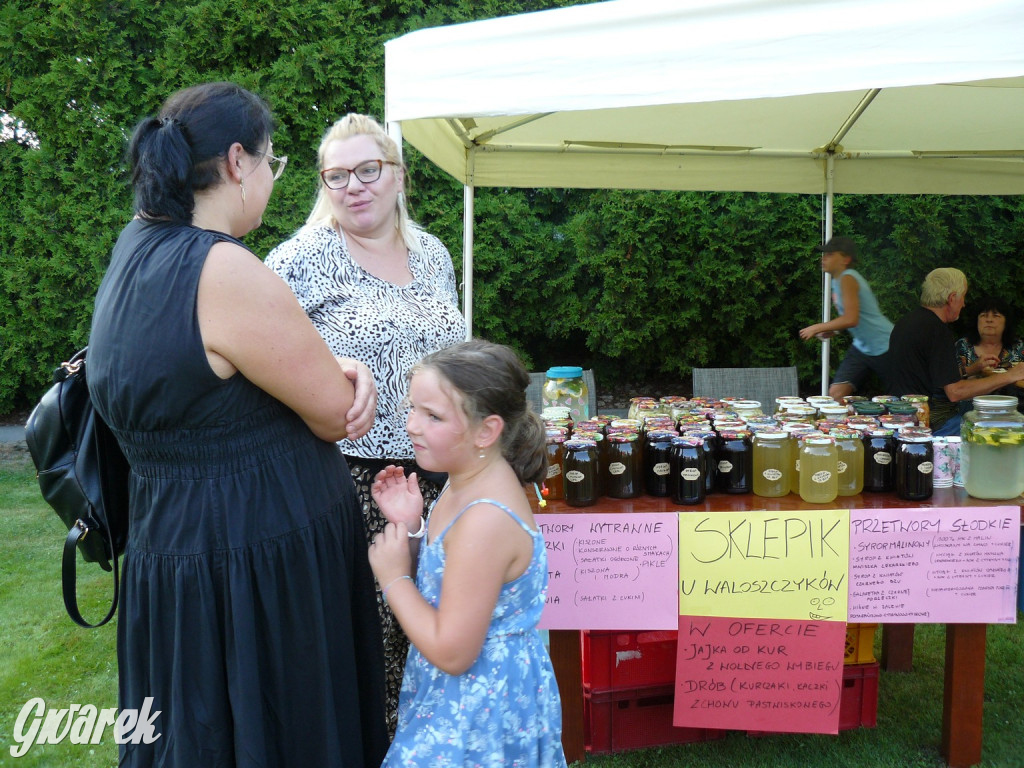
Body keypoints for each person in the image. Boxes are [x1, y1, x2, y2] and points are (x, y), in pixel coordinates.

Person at [86, 83, 388, 766]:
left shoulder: (135, 247)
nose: (273, 181)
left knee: (198, 733)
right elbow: (335, 413)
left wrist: (320, 361)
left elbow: (200, 375)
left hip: (172, 547)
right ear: (236, 163)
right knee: (273, 732)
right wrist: (344, 374)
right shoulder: (222, 266)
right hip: (253, 555)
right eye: (272, 163)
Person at [265, 112, 466, 731]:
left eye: (368, 170)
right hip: (353, 480)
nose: (353, 186)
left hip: (441, 474)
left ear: (398, 176)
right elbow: (255, 352)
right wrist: (334, 364)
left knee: (442, 617)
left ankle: (434, 742)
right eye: (336, 176)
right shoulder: (302, 257)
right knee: (377, 628)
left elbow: (452, 353)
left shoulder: (431, 252)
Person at [367, 339, 568, 767]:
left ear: (486, 431)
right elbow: (455, 579)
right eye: (413, 408)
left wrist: (394, 578)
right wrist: (416, 528)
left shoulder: (486, 519)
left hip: (480, 707)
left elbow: (454, 652)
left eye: (433, 416)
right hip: (465, 695)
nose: (412, 425)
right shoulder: (463, 483)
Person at [887, 268, 1024, 436]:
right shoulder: (937, 330)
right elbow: (955, 392)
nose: (964, 304)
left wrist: (972, 369)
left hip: (899, 414)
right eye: (963, 297)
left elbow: (928, 374)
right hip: (930, 421)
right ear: (952, 298)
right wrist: (1010, 376)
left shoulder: (907, 322)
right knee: (1004, 424)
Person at [799, 236, 893, 399]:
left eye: (830, 254)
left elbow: (851, 318)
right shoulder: (837, 282)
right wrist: (835, 330)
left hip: (885, 345)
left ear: (845, 259)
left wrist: (817, 327)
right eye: (824, 254)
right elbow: (853, 315)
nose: (824, 258)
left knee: (904, 396)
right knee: (836, 394)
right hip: (862, 347)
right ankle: (844, 424)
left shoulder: (848, 278)